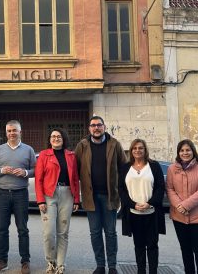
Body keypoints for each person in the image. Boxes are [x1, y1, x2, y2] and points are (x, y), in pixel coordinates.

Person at [75, 115, 126, 274]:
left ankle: (112, 266)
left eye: (99, 125)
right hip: (91, 198)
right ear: (89, 128)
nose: (96, 128)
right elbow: (74, 170)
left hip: (110, 197)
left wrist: (123, 194)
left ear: (104, 127)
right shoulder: (82, 146)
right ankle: (100, 265)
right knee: (95, 232)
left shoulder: (114, 144)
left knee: (110, 232)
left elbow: (124, 168)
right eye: (93, 125)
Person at [0, 120, 36, 274]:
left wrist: (25, 173)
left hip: (21, 193)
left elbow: (35, 170)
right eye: (9, 131)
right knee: (2, 229)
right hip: (2, 193)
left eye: (14, 130)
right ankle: (2, 260)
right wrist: (2, 170)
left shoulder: (28, 150)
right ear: (6, 132)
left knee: (22, 229)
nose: (11, 133)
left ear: (20, 132)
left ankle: (25, 261)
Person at [35, 128, 80, 274]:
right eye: (53, 136)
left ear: (63, 138)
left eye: (59, 136)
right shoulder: (43, 155)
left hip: (67, 194)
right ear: (49, 139)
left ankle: (61, 264)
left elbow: (75, 178)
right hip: (49, 195)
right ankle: (51, 262)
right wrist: (40, 200)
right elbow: (38, 179)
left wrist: (77, 199)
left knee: (63, 232)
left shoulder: (71, 155)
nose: (56, 138)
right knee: (49, 232)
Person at [118, 139, 165, 274]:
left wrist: (150, 203)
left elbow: (160, 188)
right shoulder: (125, 168)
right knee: (138, 246)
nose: (137, 150)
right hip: (133, 213)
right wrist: (132, 204)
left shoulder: (154, 166)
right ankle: (141, 271)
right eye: (135, 148)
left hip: (152, 212)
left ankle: (153, 271)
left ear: (145, 150)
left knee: (152, 246)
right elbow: (121, 189)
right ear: (131, 151)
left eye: (140, 148)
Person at [166, 139, 198, 274]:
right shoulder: (172, 169)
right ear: (178, 153)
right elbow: (169, 189)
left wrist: (185, 205)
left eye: (188, 150)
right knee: (185, 249)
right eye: (182, 150)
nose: (185, 153)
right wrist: (179, 206)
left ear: (193, 151)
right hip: (178, 216)